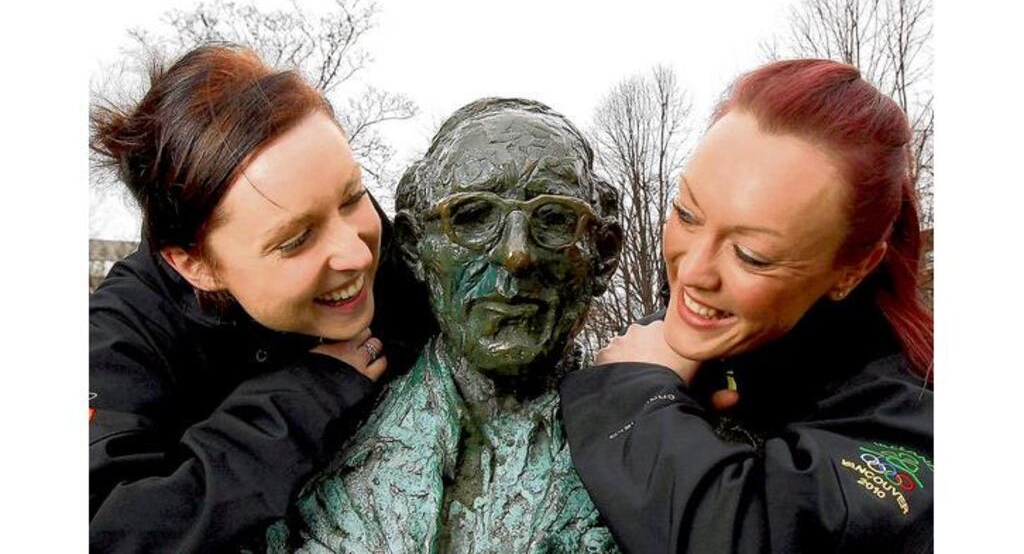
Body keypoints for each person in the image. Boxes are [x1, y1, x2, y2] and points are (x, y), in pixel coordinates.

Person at [559, 59, 934, 553]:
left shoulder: (914, 419)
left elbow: (754, 536)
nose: (694, 271)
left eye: (750, 255)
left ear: (853, 269)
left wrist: (635, 393)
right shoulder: (685, 348)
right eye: (686, 214)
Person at [88, 43, 430, 553]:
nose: (357, 254)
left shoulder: (387, 250)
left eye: (352, 196)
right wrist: (302, 398)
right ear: (195, 264)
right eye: (296, 240)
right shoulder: (120, 336)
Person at [265, 98, 625, 553]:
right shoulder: (314, 443)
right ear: (414, 247)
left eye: (554, 219)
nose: (516, 255)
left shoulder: (653, 448)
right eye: (473, 217)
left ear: (603, 255)